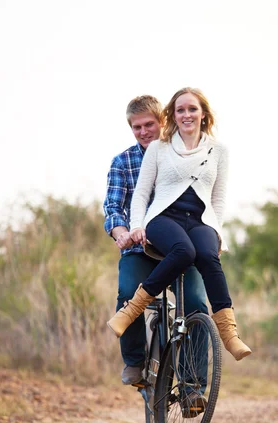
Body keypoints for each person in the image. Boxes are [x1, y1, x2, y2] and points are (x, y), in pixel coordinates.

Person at [107, 87, 252, 362]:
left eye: (149, 124)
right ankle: (133, 345)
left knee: (206, 266)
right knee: (179, 255)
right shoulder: (153, 151)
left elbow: (218, 198)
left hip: (198, 222)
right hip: (159, 225)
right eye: (181, 110)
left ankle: (223, 343)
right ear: (173, 115)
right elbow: (132, 198)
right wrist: (131, 227)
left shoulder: (218, 150)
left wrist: (216, 233)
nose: (144, 131)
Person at [103, 95, 208, 385]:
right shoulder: (123, 162)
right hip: (139, 250)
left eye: (149, 124)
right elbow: (113, 208)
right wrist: (122, 232)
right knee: (127, 292)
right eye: (136, 128)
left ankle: (193, 385)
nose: (143, 132)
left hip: (182, 248)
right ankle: (135, 362)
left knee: (198, 303)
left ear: (163, 122)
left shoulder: (186, 156)